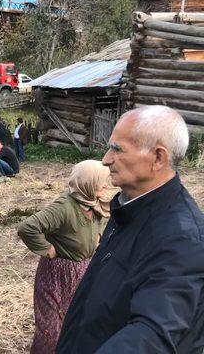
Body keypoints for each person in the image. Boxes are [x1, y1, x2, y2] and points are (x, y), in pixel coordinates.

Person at [57, 106, 204, 353]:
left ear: (158, 158)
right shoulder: (130, 209)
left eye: (117, 149)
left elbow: (151, 336)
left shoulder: (182, 239)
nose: (105, 159)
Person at [17, 160, 111, 354]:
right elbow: (27, 228)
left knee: (76, 325)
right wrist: (48, 249)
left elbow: (104, 222)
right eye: (101, 180)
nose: (106, 185)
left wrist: (98, 238)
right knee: (50, 331)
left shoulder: (96, 204)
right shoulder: (65, 207)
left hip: (83, 274)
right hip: (57, 277)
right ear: (87, 182)